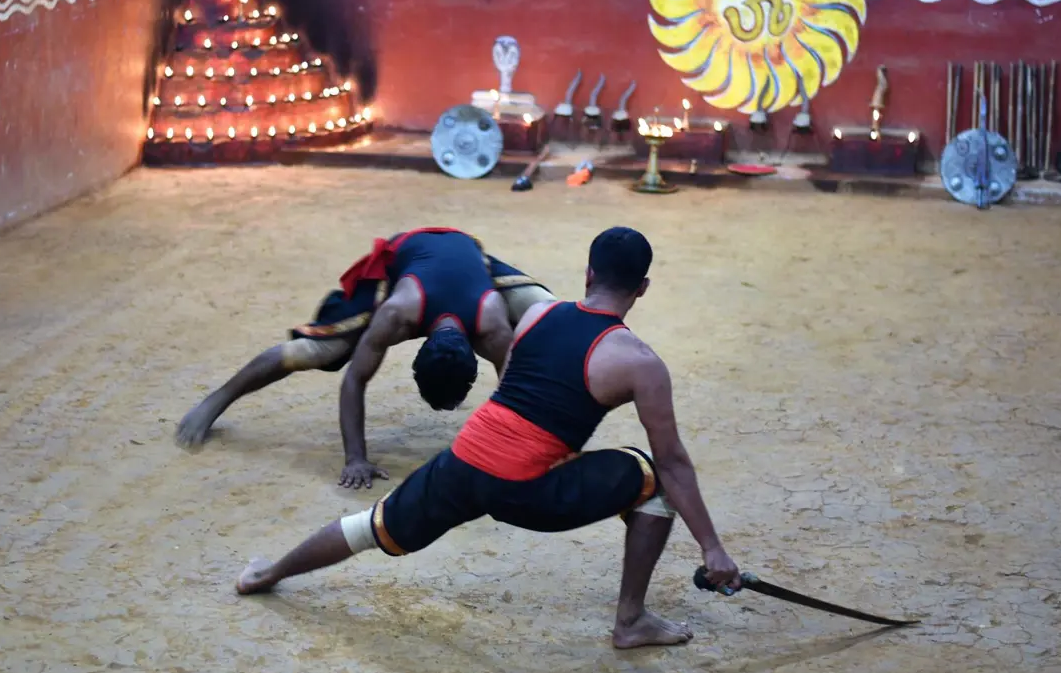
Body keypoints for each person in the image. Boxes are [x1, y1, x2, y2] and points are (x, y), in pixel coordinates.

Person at [234, 226, 741, 648]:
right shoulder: (640, 363)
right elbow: (676, 465)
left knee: (370, 525)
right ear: (643, 288)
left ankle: (267, 574)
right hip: (525, 490)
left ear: (588, 273)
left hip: (461, 459)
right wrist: (712, 549)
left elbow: (517, 390)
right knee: (650, 473)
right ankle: (630, 622)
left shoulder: (538, 314)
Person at [176, 227, 555, 489]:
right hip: (408, 254)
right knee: (319, 350)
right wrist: (355, 458)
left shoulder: (493, 326)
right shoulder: (397, 313)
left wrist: (523, 455)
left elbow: (515, 393)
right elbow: (354, 379)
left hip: (468, 251)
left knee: (553, 314)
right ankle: (215, 401)